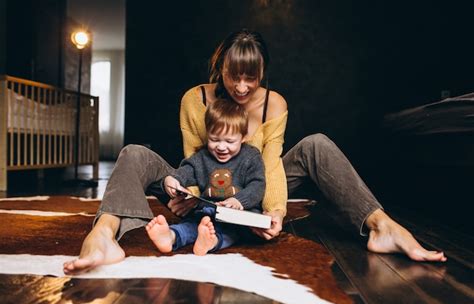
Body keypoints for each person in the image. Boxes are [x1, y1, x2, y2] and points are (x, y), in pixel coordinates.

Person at [64, 29, 445, 275]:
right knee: (132, 151)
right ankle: (103, 236)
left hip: (253, 185)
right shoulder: (194, 99)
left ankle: (383, 227)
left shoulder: (273, 104)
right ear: (221, 67)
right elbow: (194, 160)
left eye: (252, 77)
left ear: (262, 72)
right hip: (202, 186)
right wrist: (186, 197)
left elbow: (271, 163)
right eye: (234, 76)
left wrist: (275, 212)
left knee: (318, 144)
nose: (242, 87)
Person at [145, 98, 265, 256]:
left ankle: (211, 242)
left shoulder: (251, 156)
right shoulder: (201, 157)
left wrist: (239, 201)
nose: (221, 147)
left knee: (232, 232)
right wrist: (173, 179)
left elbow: (258, 185)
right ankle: (170, 236)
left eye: (229, 141)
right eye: (214, 139)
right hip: (208, 212)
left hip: (238, 217)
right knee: (192, 224)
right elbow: (187, 170)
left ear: (243, 137)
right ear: (207, 134)